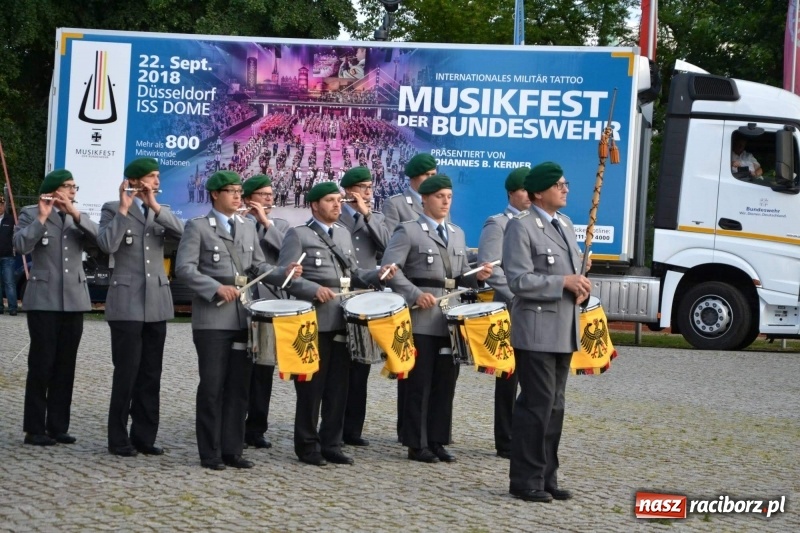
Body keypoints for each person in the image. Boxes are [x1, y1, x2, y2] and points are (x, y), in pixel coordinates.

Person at [176, 170, 302, 470]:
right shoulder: (198, 226)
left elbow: (258, 266)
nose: (237, 196)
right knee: (212, 386)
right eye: (231, 191)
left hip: (244, 317)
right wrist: (214, 288)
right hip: (213, 318)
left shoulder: (246, 226)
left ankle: (233, 450)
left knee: (238, 387)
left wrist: (283, 272)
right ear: (215, 195)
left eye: (238, 191)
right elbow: (184, 268)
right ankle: (210, 452)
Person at [278, 182, 397, 467]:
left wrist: (378, 274)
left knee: (338, 387)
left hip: (343, 320)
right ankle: (307, 446)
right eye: (330, 200)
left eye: (338, 200)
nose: (336, 205)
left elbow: (354, 273)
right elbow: (285, 278)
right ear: (314, 205)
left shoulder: (342, 233)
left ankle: (332, 443)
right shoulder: (298, 234)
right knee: (311, 388)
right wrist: (311, 289)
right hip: (314, 322)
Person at [381, 175, 494, 464]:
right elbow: (390, 269)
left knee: (445, 383)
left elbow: (460, 273)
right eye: (439, 196)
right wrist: (414, 294)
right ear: (425, 199)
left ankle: (437, 439)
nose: (445, 202)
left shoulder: (456, 233)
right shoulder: (408, 230)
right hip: (421, 317)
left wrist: (478, 275)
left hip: (449, 319)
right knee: (419, 383)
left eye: (449, 196)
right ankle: (416, 443)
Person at [503, 162, 592, 503]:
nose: (565, 189)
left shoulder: (565, 224)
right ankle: (525, 479)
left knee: (555, 407)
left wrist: (581, 285)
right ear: (539, 192)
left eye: (565, 183)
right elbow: (519, 280)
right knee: (536, 405)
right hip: (536, 329)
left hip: (563, 328)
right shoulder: (521, 226)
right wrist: (563, 282)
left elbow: (571, 276)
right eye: (558, 185)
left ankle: (547, 476)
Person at [97, 157, 185, 457]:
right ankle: (118, 438)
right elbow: (107, 245)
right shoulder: (113, 208)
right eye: (151, 176)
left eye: (158, 176)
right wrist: (124, 210)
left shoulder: (162, 211)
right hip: (127, 302)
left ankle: (144, 436)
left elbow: (185, 235)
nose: (157, 181)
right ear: (134, 180)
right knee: (126, 372)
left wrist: (155, 206)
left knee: (151, 373)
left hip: (156, 302)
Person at [14, 169, 99, 445]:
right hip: (44, 299)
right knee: (41, 364)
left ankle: (58, 426)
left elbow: (103, 243)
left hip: (74, 299)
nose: (73, 191)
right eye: (67, 186)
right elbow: (20, 245)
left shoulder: (77, 216)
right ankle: (34, 429)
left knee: (66, 365)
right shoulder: (31, 213)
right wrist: (42, 217)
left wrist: (76, 214)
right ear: (53, 189)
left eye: (75, 186)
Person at [380, 152, 444, 440]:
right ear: (414, 178)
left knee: (439, 378)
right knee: (415, 374)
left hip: (440, 307)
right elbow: (389, 247)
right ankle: (410, 432)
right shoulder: (397, 205)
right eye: (427, 176)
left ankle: (433, 435)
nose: (432, 180)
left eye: (434, 175)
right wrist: (413, 293)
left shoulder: (443, 209)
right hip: (413, 299)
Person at [476, 167, 531, 460]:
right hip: (511, 307)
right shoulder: (498, 223)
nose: (529, 195)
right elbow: (490, 267)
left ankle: (526, 435)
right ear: (511, 193)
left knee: (533, 375)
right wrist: (517, 293)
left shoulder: (537, 223)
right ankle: (506, 439)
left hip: (536, 309)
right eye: (523, 190)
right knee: (509, 376)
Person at [337, 167, 391, 447]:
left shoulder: (376, 218)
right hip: (341, 294)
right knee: (339, 365)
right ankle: (334, 425)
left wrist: (367, 215)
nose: (368, 192)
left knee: (362, 364)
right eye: (362, 187)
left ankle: (353, 429)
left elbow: (388, 246)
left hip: (366, 296)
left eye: (370, 187)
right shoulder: (337, 215)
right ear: (349, 190)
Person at [241, 174, 291, 450]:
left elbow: (287, 253)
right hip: (243, 300)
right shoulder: (237, 222)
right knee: (240, 367)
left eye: (271, 195)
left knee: (264, 368)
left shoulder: (279, 225)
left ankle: (257, 427)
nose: (269, 199)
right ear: (249, 199)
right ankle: (234, 421)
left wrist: (265, 222)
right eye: (263, 194)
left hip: (270, 302)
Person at [381, 153, 440, 231]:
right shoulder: (395, 204)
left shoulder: (440, 203)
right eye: (426, 174)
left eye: (433, 175)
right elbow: (390, 237)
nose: (430, 179)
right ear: (414, 176)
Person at [0, 194, 18, 315]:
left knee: (9, 282)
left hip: (8, 256)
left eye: (1, 205)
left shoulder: (11, 220)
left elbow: (16, 235)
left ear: (4, 205)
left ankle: (13, 308)